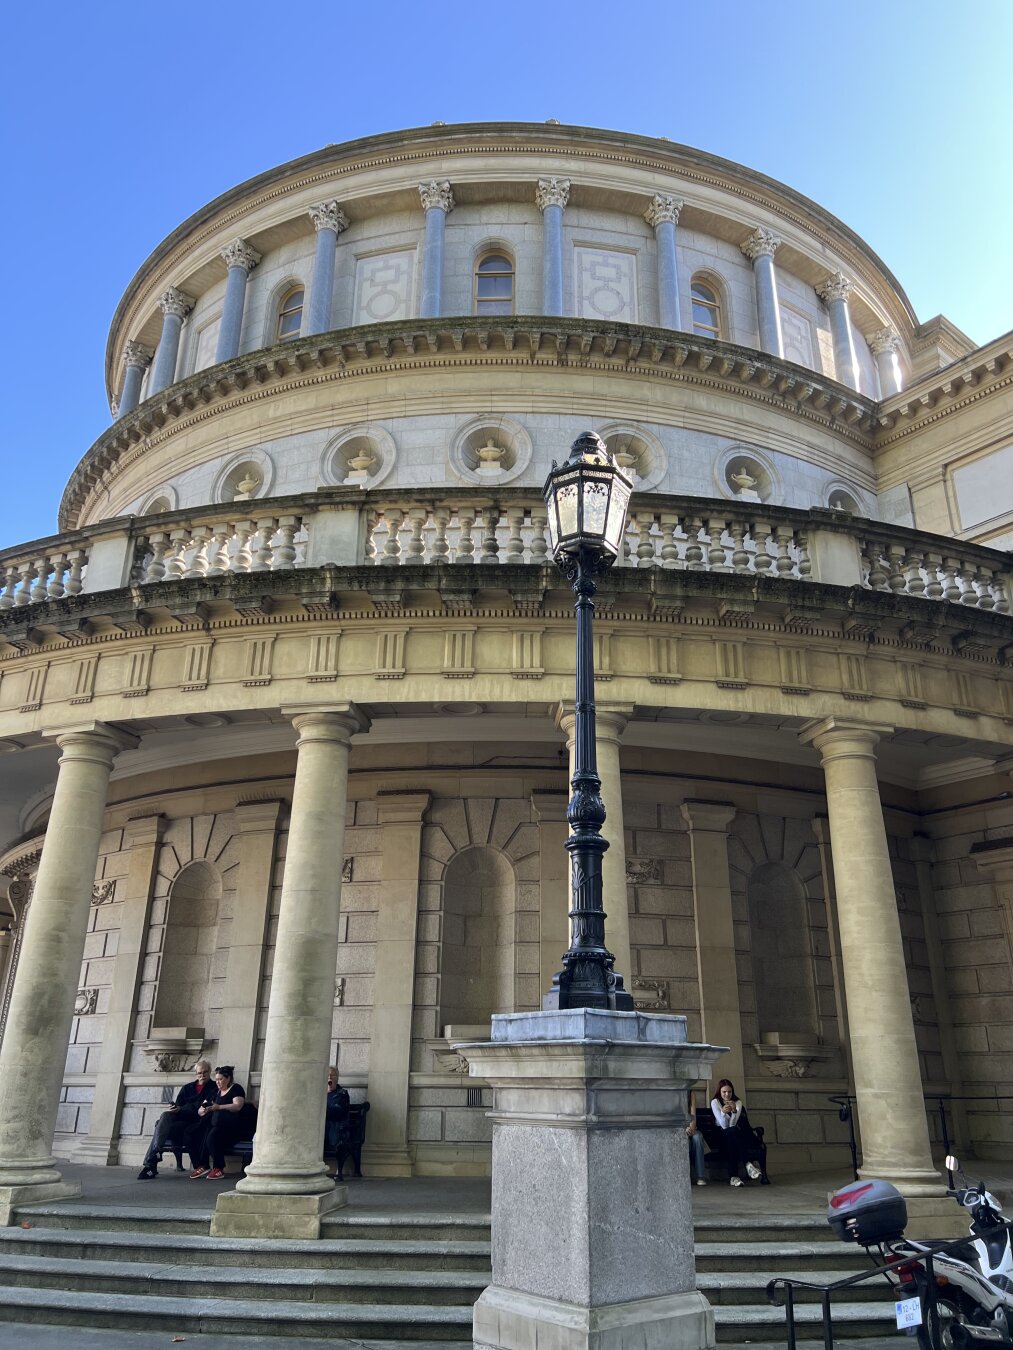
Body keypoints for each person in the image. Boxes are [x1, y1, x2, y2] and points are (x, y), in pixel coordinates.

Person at [137, 1059, 215, 1179]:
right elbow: (178, 1105)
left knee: (160, 1126)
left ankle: (151, 1162)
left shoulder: (213, 1088)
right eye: (199, 1073)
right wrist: (175, 1108)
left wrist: (181, 1110)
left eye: (205, 1072)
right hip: (179, 1118)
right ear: (196, 1074)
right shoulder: (187, 1088)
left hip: (194, 1123)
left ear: (210, 1072)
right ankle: (154, 1156)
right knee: (165, 1116)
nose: (202, 1075)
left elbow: (201, 1110)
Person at [188, 1065, 255, 1179]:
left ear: (228, 1078)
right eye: (217, 1079)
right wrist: (203, 1110)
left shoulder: (236, 1089)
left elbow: (237, 1106)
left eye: (220, 1079)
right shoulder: (216, 1091)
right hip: (214, 1123)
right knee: (193, 1134)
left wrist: (219, 1107)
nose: (218, 1082)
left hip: (230, 1126)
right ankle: (202, 1165)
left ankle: (218, 1168)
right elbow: (202, 1107)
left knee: (212, 1138)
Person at [711, 1078, 762, 1187]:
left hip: (733, 1136)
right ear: (719, 1092)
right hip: (721, 1136)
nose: (727, 1094)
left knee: (733, 1136)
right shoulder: (715, 1102)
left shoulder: (738, 1102)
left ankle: (734, 1177)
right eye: (724, 1092)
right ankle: (748, 1164)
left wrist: (734, 1111)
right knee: (732, 1134)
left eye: (729, 1092)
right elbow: (724, 1126)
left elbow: (732, 1124)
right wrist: (723, 1113)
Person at [325, 1065, 351, 1165]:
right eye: (327, 1075)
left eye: (332, 1075)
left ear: (337, 1078)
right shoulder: (320, 1093)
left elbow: (336, 1113)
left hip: (335, 1129)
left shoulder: (342, 1094)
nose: (330, 1078)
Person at [686, 1088, 707, 1186]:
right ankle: (685, 1176)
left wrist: (692, 1127)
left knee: (697, 1138)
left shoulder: (690, 1092)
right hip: (678, 1128)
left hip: (691, 1127)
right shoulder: (670, 1092)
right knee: (685, 1141)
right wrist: (683, 1129)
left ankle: (700, 1176)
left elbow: (693, 1113)